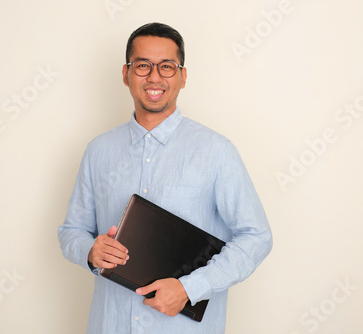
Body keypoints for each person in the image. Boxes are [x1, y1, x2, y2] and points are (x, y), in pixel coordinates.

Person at [58, 22, 273, 333]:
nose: (154, 76)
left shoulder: (216, 151)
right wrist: (89, 251)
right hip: (111, 324)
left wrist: (191, 288)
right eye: (143, 65)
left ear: (183, 77)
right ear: (125, 73)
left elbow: (256, 236)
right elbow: (72, 230)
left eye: (167, 67)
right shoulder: (98, 151)